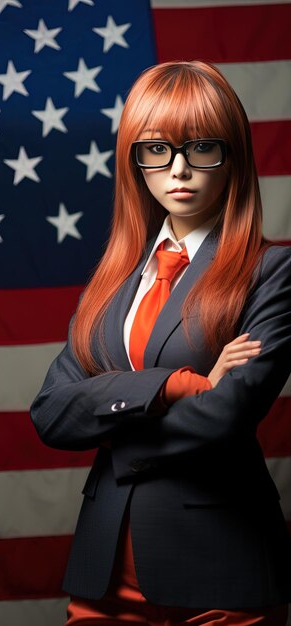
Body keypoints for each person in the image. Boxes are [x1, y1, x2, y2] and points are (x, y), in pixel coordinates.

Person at [30, 61, 291, 625]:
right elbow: (50, 413)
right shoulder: (112, 284)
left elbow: (226, 417)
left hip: (222, 573)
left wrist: (109, 416)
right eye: (155, 150)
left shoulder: (270, 271)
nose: (178, 170)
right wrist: (175, 386)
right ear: (135, 163)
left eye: (201, 149)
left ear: (233, 158)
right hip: (104, 577)